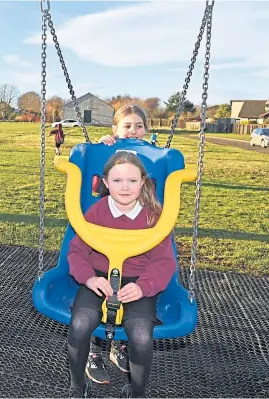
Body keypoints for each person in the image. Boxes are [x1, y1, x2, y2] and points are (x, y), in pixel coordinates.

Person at [66, 151, 176, 398]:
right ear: (105, 183)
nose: (124, 187)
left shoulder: (153, 217)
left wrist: (144, 286)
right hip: (99, 278)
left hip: (138, 282)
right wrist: (89, 278)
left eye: (132, 181)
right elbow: (76, 252)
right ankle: (77, 386)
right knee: (80, 324)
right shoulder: (97, 213)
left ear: (143, 182)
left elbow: (163, 262)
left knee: (140, 335)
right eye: (117, 181)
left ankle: (136, 391)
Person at [87, 103, 151, 384]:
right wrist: (102, 147)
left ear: (147, 130)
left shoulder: (152, 156)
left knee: (127, 294)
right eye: (127, 125)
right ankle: (93, 351)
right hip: (105, 231)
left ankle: (118, 346)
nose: (133, 130)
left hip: (139, 232)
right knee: (99, 295)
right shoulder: (107, 151)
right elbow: (90, 176)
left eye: (139, 125)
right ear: (114, 129)